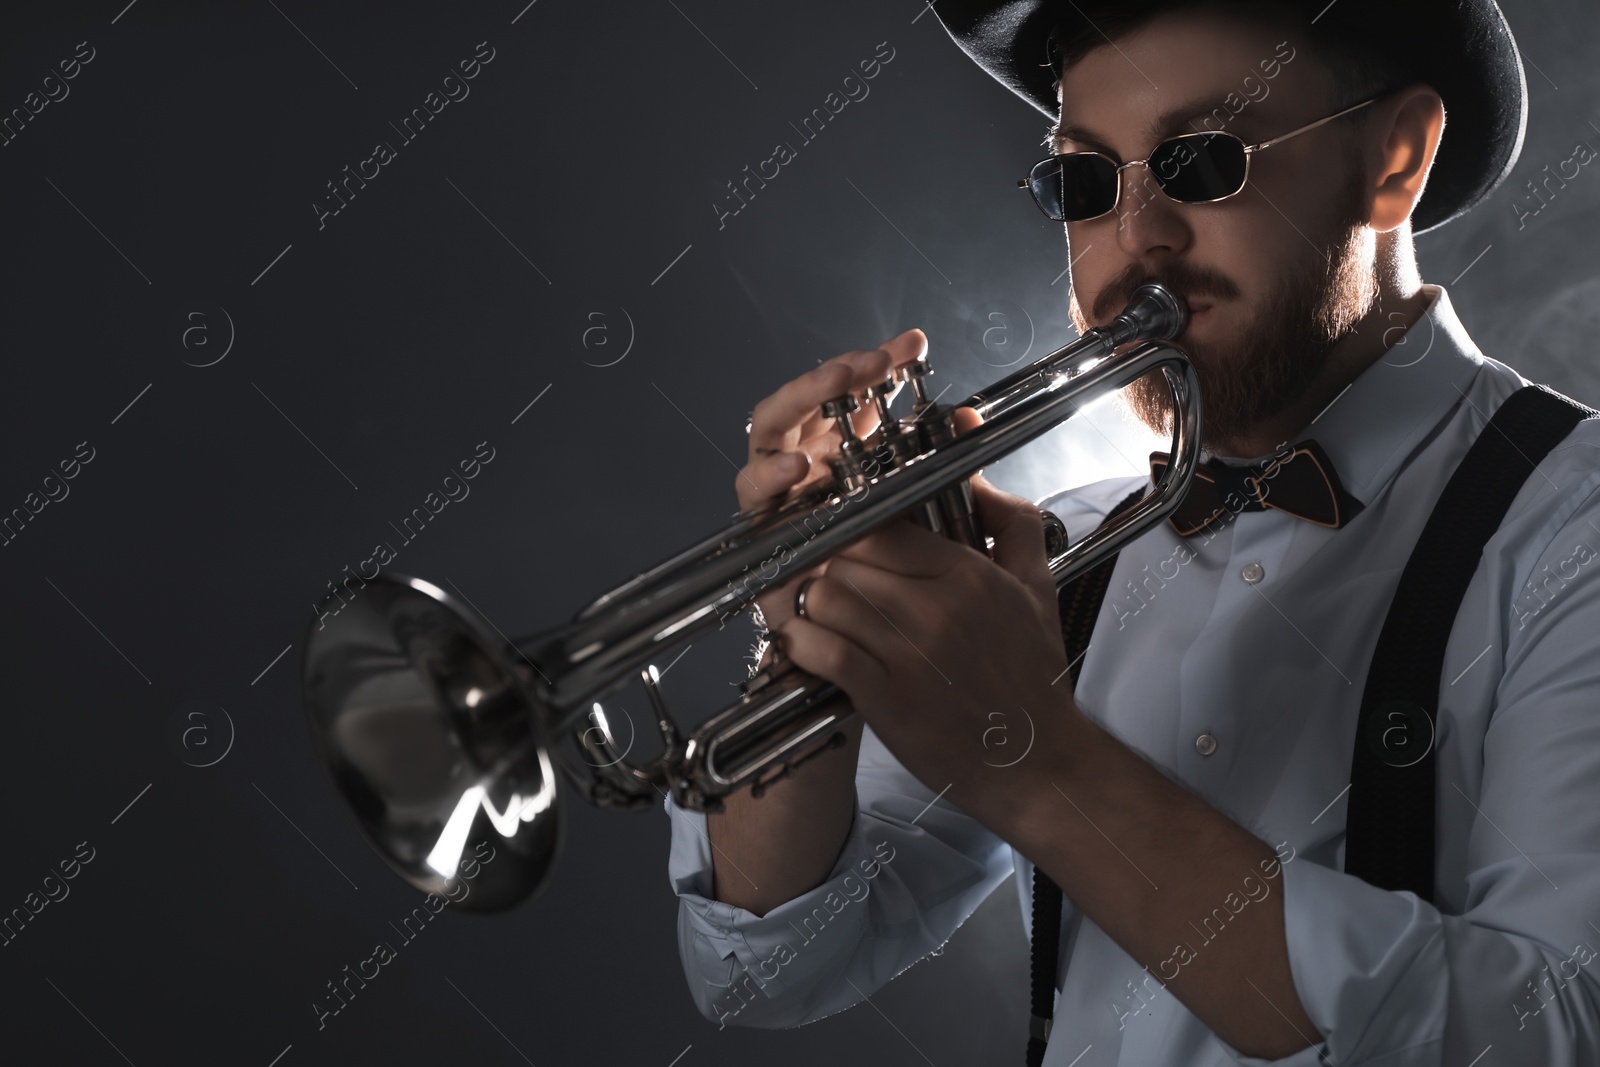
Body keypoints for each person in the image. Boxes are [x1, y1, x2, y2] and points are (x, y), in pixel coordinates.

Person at [665, 1, 1600, 1063]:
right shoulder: (1061, 555)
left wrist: (1038, 763)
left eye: (1203, 161)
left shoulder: (1576, 524)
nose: (1137, 237)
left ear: (1393, 158)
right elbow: (764, 967)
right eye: (1086, 182)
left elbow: (1553, 1031)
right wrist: (810, 637)